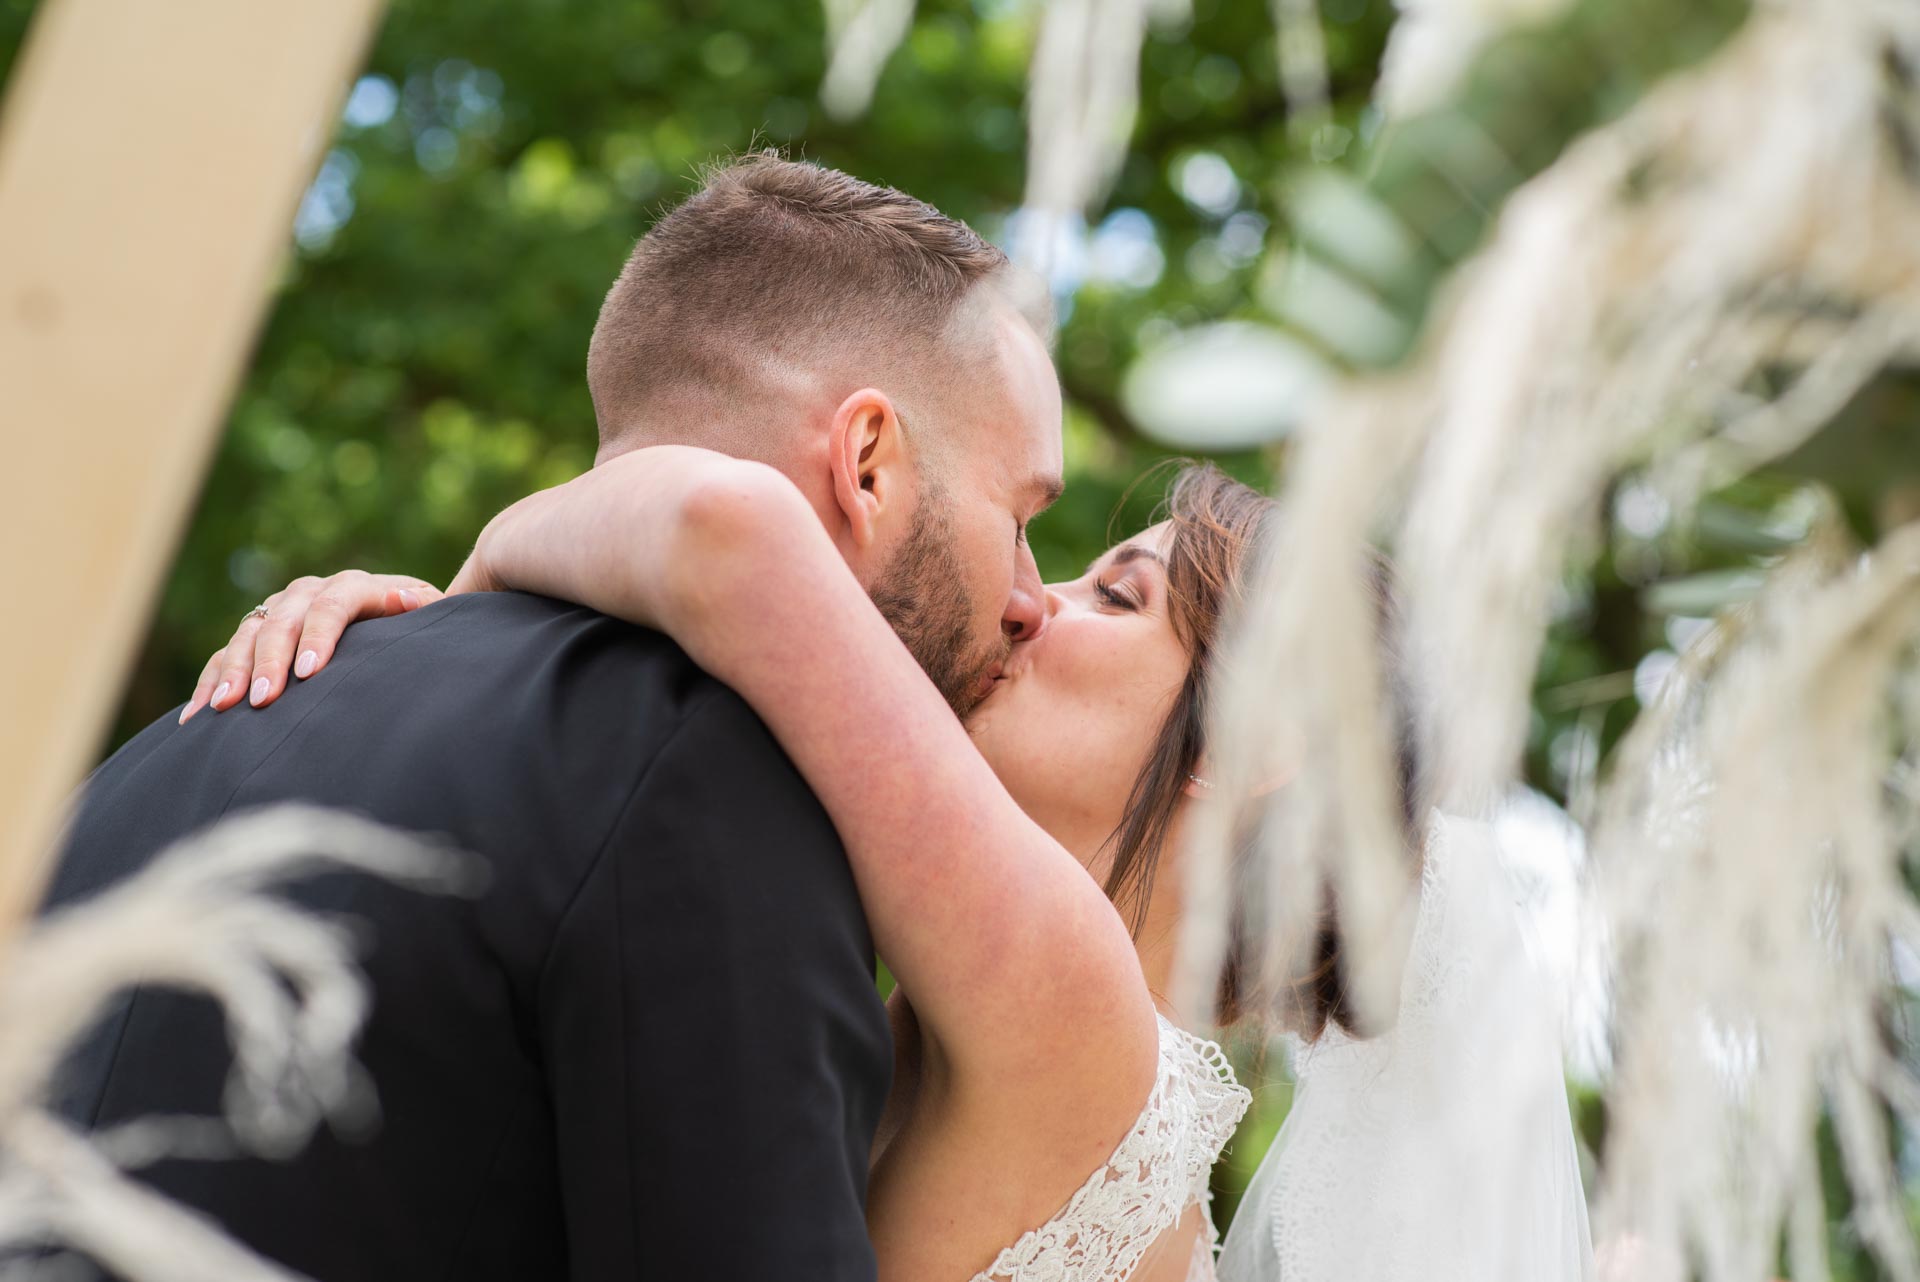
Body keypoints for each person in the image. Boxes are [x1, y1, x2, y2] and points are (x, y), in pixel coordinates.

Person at [41, 155, 1067, 1282]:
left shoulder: (186, 734)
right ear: (866, 463)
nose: (1031, 597)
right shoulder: (704, 770)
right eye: (1018, 514)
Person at [202, 453, 1276, 1281]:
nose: (1035, 602)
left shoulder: (1082, 1017)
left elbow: (730, 530)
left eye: (1118, 597)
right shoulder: (1021, 1038)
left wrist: (458, 612)